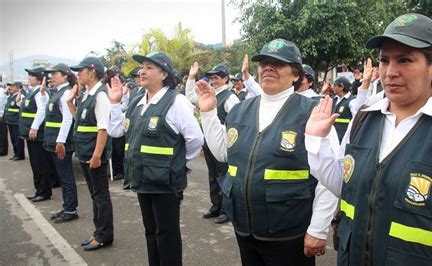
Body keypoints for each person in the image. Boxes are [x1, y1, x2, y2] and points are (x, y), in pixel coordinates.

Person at [305, 13, 432, 265]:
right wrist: (316, 141)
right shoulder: (363, 119)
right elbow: (344, 185)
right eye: (385, 60)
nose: (390, 72)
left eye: (405, 60)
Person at [197, 38, 340, 265]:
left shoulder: (312, 113)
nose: (268, 68)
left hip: (289, 232)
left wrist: (318, 228)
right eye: (264, 62)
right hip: (245, 228)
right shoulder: (240, 110)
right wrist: (208, 114)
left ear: (296, 75)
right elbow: (223, 153)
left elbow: (329, 177)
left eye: (278, 63)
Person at [107, 52, 203, 265]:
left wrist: (178, 165)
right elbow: (115, 131)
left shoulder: (176, 101)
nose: (142, 71)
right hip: (142, 179)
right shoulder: (137, 101)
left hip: (166, 182)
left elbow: (196, 139)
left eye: (149, 67)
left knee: (167, 234)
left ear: (164, 73)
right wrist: (114, 103)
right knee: (151, 232)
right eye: (142, 67)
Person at [68, 57, 114, 251]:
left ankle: (105, 235)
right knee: (95, 195)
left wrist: (96, 155)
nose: (79, 74)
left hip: (94, 155)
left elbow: (102, 129)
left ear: (92, 72)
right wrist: (70, 101)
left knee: (100, 195)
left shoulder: (101, 96)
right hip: (86, 153)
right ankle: (98, 231)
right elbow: (80, 120)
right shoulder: (88, 94)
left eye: (82, 70)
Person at [186, 62, 240, 224]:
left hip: (223, 144)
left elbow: (236, 119)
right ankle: (215, 206)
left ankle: (226, 209)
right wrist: (191, 77)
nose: (213, 81)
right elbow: (190, 96)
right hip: (208, 143)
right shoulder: (209, 93)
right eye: (211, 78)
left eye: (216, 77)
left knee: (224, 177)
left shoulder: (230, 97)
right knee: (212, 176)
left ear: (225, 79)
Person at [44, 63, 79, 223]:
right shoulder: (57, 92)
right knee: (62, 175)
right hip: (54, 140)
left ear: (65, 75)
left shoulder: (66, 93)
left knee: (66, 176)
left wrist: (60, 141)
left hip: (61, 142)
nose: (52, 76)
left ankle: (71, 209)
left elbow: (67, 119)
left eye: (55, 73)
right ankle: (66, 207)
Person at [20, 67, 55, 202]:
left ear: (40, 79)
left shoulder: (40, 93)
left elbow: (42, 111)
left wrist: (34, 128)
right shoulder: (32, 92)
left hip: (37, 134)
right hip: (30, 133)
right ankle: (39, 189)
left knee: (41, 163)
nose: (29, 78)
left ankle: (44, 191)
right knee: (35, 163)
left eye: (32, 76)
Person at [4, 81, 25, 160]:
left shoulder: (21, 96)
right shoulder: (10, 97)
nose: (10, 88)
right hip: (10, 121)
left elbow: (19, 104)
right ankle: (16, 153)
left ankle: (20, 154)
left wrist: (19, 94)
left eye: (12, 86)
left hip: (16, 121)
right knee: (13, 139)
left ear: (18, 88)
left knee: (17, 139)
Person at [332, 77, 356, 142]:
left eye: (335, 85)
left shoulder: (352, 101)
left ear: (341, 87)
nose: (332, 87)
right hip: (333, 137)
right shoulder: (334, 99)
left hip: (344, 138)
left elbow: (356, 119)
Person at [0, 84, 9, 156]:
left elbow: (1, 104)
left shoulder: (1, 91)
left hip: (1, 116)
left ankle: (2, 150)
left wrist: (1, 114)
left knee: (2, 134)